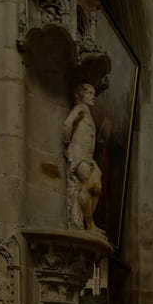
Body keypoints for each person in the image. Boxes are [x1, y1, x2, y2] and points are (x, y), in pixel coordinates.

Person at [62, 82, 103, 231]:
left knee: (97, 187)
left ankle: (89, 221)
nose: (93, 96)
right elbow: (67, 124)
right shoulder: (80, 108)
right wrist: (67, 144)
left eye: (93, 93)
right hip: (79, 154)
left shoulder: (88, 112)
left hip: (88, 157)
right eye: (89, 93)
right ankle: (89, 224)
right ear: (81, 95)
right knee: (89, 184)